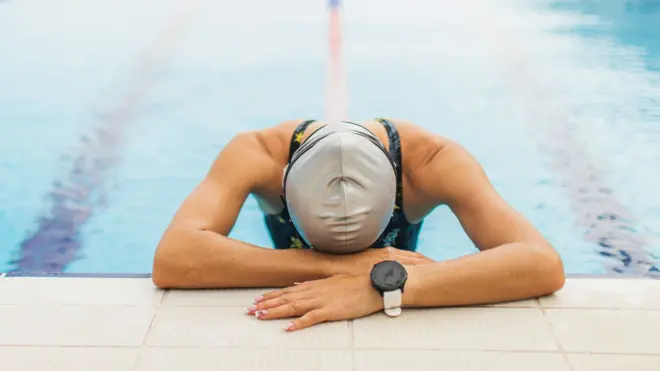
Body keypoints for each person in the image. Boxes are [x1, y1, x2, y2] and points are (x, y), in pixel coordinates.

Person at [152, 118, 565, 331]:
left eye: (359, 251)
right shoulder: (256, 153)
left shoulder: (433, 161)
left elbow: (541, 262)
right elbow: (174, 257)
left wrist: (386, 285)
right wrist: (345, 267)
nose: (350, 258)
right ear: (284, 183)